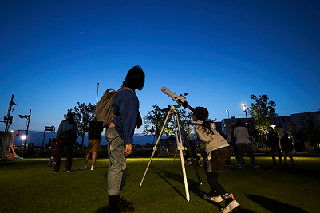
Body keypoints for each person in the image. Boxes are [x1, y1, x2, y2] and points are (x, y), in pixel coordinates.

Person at [106, 65, 144, 213]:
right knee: (117, 167)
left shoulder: (121, 91)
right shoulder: (129, 95)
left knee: (115, 166)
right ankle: (114, 204)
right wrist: (129, 141)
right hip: (119, 133)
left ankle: (116, 199)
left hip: (113, 130)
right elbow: (127, 119)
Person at [193, 107, 240, 213]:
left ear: (196, 116)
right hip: (226, 149)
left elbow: (205, 140)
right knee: (208, 169)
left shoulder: (197, 126)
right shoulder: (210, 123)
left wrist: (204, 152)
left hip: (216, 151)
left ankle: (230, 201)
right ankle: (215, 194)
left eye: (193, 114)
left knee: (211, 179)